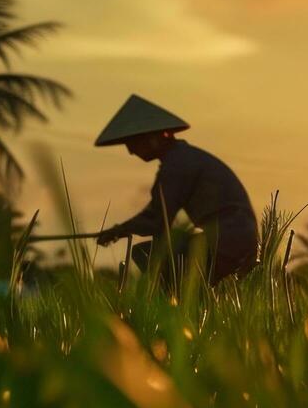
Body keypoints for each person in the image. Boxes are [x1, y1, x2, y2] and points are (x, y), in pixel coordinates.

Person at [92, 95, 259, 282]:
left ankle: (181, 305)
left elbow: (157, 218)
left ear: (154, 137)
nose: (131, 151)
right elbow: (159, 215)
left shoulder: (177, 165)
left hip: (226, 242)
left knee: (147, 255)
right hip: (235, 240)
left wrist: (118, 230)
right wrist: (121, 230)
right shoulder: (184, 159)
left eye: (133, 143)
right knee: (158, 253)